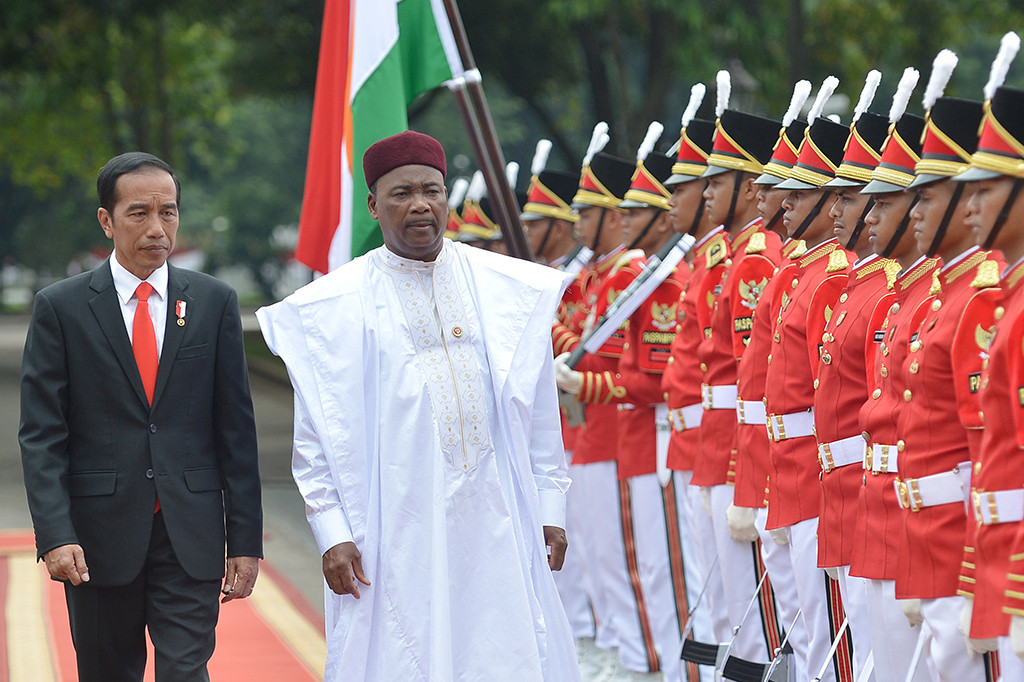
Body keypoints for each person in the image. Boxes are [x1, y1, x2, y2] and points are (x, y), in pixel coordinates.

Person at [256, 130, 580, 681]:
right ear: (373, 204)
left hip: (500, 519)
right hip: (392, 527)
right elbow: (315, 439)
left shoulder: (507, 288)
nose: (421, 205)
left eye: (431, 190)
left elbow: (540, 414)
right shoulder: (331, 307)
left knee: (508, 653)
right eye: (402, 193)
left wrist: (551, 509)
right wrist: (331, 530)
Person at [19, 151, 263, 681]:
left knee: (185, 671)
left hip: (190, 532)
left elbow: (236, 431)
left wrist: (245, 541)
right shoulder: (61, 309)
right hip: (98, 540)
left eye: (169, 212)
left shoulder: (214, 302)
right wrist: (55, 534)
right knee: (108, 672)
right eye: (139, 213)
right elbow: (42, 436)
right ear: (106, 221)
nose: (158, 228)